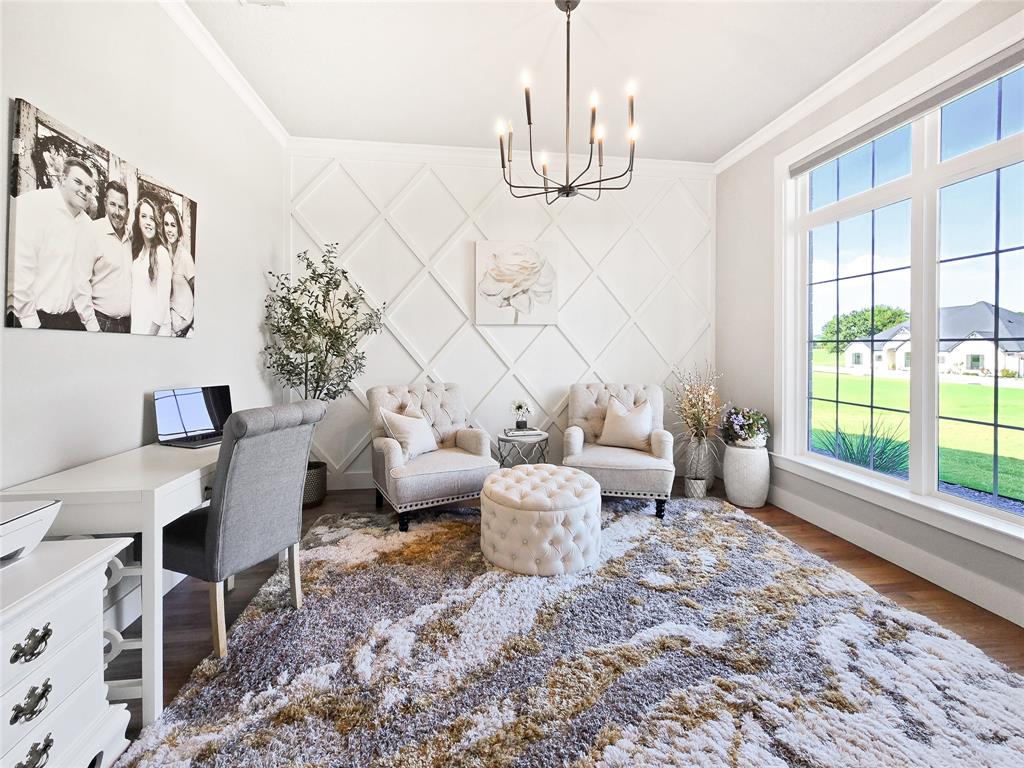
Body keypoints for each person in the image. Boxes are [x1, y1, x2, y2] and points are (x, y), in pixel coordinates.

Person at [6, 157, 96, 330]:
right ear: (63, 179)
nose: (84, 191)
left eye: (88, 188)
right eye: (78, 182)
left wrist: (91, 326)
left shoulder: (87, 226)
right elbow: (19, 269)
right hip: (33, 319)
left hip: (71, 321)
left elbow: (82, 281)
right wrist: (31, 323)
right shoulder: (34, 204)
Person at [75, 180, 133, 333]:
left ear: (127, 211)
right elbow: (80, 283)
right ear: (105, 204)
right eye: (113, 205)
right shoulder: (93, 232)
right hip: (102, 323)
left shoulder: (131, 238)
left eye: (121, 207)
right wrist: (93, 327)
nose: (117, 212)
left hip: (127, 325)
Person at [129, 197, 172, 336]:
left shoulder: (161, 253)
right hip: (138, 328)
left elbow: (162, 304)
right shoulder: (138, 254)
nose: (148, 222)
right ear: (138, 222)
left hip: (154, 334)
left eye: (152, 218)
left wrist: (149, 339)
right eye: (144, 217)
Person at [162, 203, 195, 337]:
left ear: (179, 229)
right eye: (166, 224)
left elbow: (198, 291)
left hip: (183, 324)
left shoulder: (185, 257)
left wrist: (192, 327)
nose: (169, 229)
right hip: (171, 323)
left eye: (173, 225)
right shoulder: (165, 253)